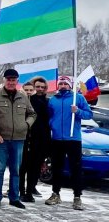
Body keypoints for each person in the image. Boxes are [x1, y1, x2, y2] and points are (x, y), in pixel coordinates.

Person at [0, 69, 36, 209]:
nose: (11, 82)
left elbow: (32, 114)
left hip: (18, 139)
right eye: (8, 79)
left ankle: (14, 198)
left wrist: (26, 124)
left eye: (13, 80)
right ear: (4, 80)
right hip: (1, 140)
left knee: (16, 170)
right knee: (0, 170)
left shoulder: (23, 97)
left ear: (17, 81)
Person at [45, 76, 92, 210]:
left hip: (73, 139)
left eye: (66, 83)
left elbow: (89, 115)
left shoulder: (78, 98)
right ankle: (55, 194)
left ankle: (77, 197)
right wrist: (51, 124)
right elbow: (49, 116)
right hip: (57, 139)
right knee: (57, 167)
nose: (63, 85)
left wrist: (77, 111)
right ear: (58, 86)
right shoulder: (53, 100)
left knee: (75, 168)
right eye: (61, 83)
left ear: (70, 85)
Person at [20, 77, 51, 200]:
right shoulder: (27, 100)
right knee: (23, 167)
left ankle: (30, 191)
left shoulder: (48, 102)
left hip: (41, 138)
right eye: (37, 87)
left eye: (42, 87)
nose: (40, 89)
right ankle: (21, 191)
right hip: (26, 137)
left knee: (35, 167)